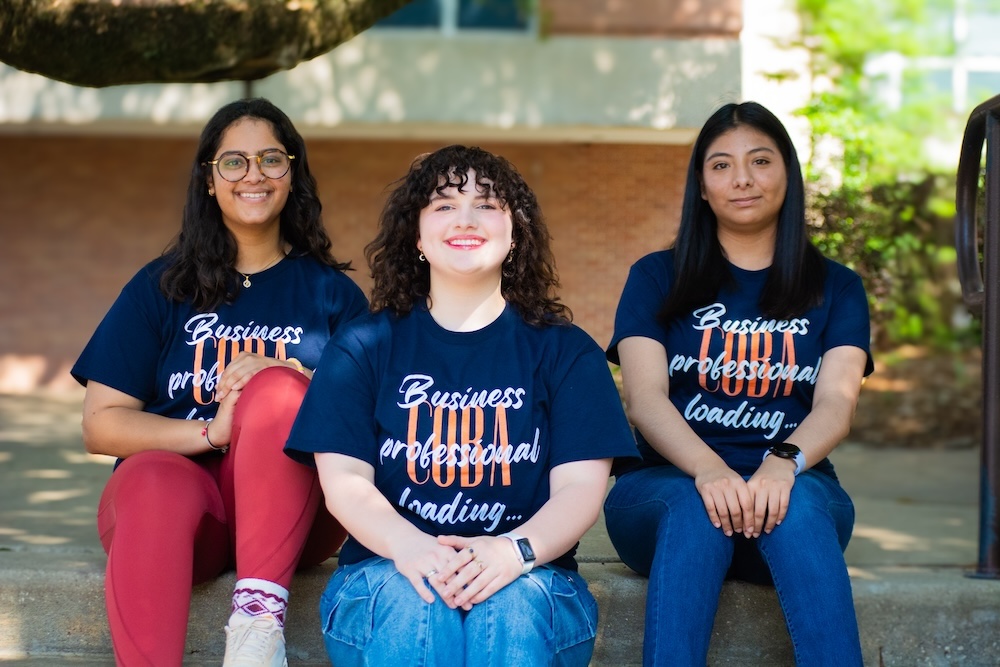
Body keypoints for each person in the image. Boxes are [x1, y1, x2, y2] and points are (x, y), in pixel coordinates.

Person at [284, 145, 639, 666]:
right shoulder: (363, 346)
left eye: (488, 204)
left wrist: (512, 551)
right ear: (416, 233)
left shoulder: (566, 351)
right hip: (385, 573)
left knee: (511, 605)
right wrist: (411, 548)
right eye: (445, 205)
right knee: (418, 602)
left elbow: (581, 489)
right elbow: (345, 484)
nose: (466, 219)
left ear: (515, 231)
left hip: (535, 578)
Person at [71, 97, 369, 666]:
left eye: (271, 159)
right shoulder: (161, 287)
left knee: (280, 391)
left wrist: (296, 375)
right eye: (233, 161)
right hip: (181, 521)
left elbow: (372, 422)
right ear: (209, 179)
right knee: (155, 476)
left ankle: (257, 635)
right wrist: (212, 432)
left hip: (298, 518)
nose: (253, 174)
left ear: (292, 173)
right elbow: (100, 425)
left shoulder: (334, 296)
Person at [602, 101, 873, 666]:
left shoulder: (837, 287)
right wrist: (709, 469)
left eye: (760, 161)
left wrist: (783, 463)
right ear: (701, 185)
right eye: (721, 165)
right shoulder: (655, 277)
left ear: (787, 174)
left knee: (796, 506)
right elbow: (644, 400)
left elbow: (836, 404)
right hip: (664, 496)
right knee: (696, 508)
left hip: (793, 494)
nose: (742, 179)